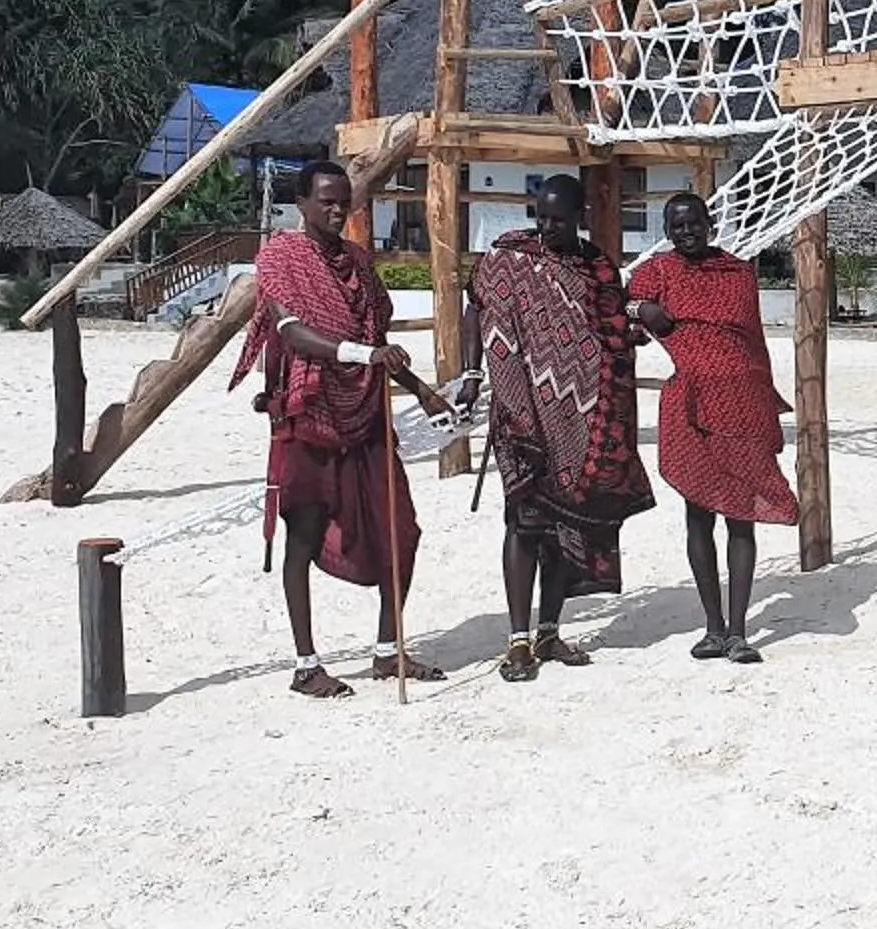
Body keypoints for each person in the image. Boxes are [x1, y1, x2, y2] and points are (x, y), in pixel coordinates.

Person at [230, 160, 450, 699]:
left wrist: (421, 390)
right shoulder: (281, 259)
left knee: (402, 530)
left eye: (343, 200)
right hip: (309, 415)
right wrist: (363, 353)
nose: (336, 209)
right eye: (326, 200)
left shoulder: (358, 263)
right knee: (302, 538)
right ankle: (306, 665)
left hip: (366, 413)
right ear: (301, 204)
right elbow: (293, 332)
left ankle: (385, 651)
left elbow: (378, 340)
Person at [460, 174, 657, 683]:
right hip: (520, 413)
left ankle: (549, 630)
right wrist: (473, 374)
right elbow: (476, 311)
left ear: (579, 218)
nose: (548, 227)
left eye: (559, 220)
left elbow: (613, 330)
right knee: (524, 524)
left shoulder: (597, 267)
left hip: (582, 422)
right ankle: (518, 641)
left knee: (566, 525)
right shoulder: (509, 259)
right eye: (541, 217)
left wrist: (638, 325)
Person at [627, 193, 792, 664]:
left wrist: (765, 400)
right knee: (698, 516)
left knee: (741, 516)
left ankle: (739, 631)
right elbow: (622, 304)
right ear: (667, 230)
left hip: (742, 405)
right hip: (691, 406)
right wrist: (643, 312)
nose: (686, 232)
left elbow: (752, 343)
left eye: (693, 223)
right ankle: (713, 627)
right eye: (676, 226)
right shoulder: (658, 272)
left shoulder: (739, 273)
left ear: (709, 223)